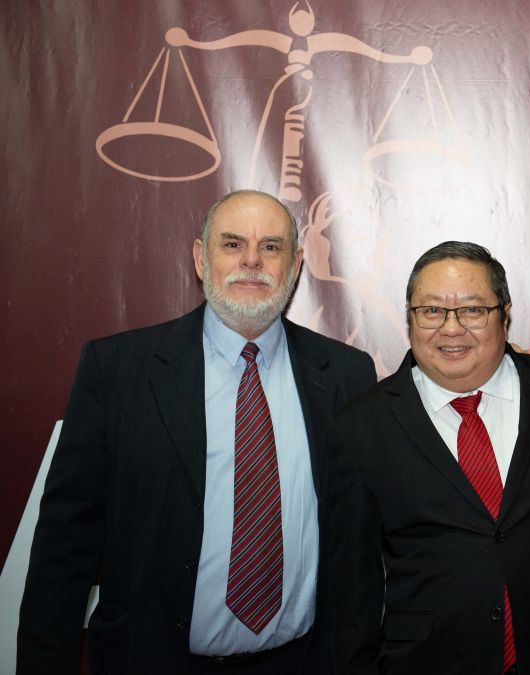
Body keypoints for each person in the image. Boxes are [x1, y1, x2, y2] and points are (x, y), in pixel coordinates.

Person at [17, 190, 376, 674]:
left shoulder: (347, 374)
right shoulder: (118, 370)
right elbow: (64, 546)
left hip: (305, 662)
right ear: (200, 258)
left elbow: (358, 545)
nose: (252, 260)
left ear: (294, 267)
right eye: (232, 244)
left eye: (271, 247)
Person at [328, 241, 530, 674]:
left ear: (504, 314)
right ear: (410, 317)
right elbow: (352, 587)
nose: (451, 328)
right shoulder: (362, 425)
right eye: (431, 311)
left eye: (472, 310)